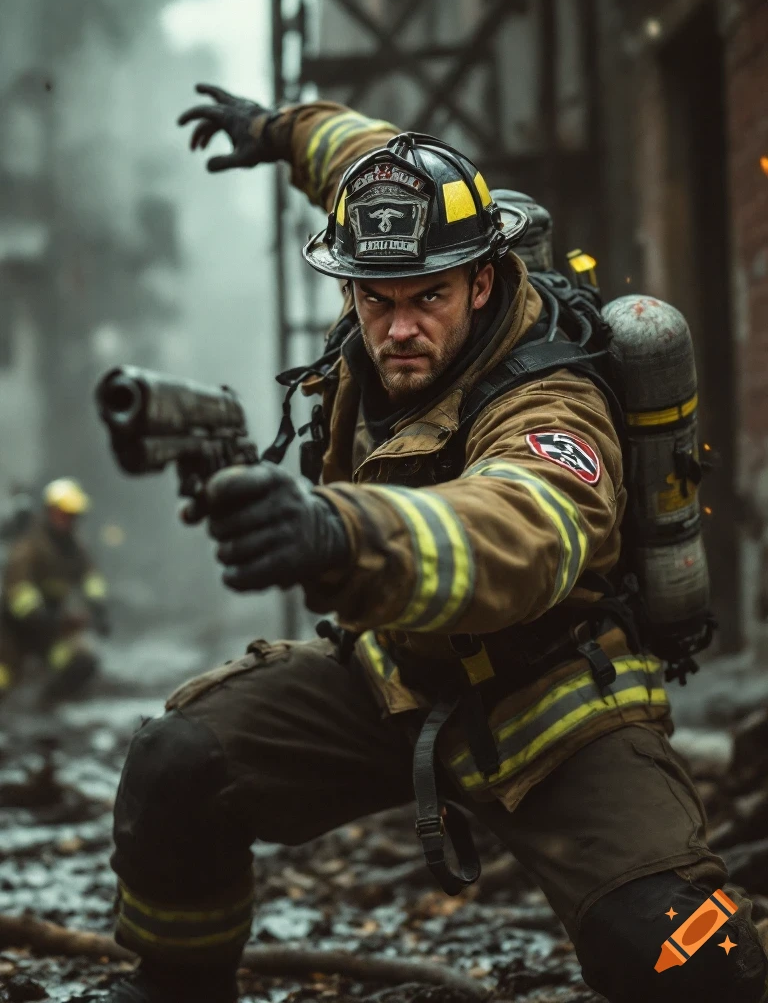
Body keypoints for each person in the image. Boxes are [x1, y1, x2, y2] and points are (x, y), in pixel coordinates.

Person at [95, 87, 767, 1003]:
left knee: (677, 955)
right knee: (179, 762)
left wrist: (340, 533)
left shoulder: (551, 396)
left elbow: (522, 529)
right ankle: (176, 990)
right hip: (396, 679)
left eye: (428, 298)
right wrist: (274, 130)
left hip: (555, 703)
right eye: (375, 301)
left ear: (482, 281)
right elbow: (360, 150)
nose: (399, 328)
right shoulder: (398, 243)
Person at [0, 477, 109, 702]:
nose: (68, 520)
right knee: (4, 677)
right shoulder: (29, 546)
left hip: (49, 631)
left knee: (81, 661)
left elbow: (90, 578)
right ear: (50, 511)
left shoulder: (74, 547)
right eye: (64, 513)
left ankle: (46, 704)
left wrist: (98, 608)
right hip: (13, 630)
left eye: (73, 515)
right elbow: (19, 595)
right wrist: (50, 619)